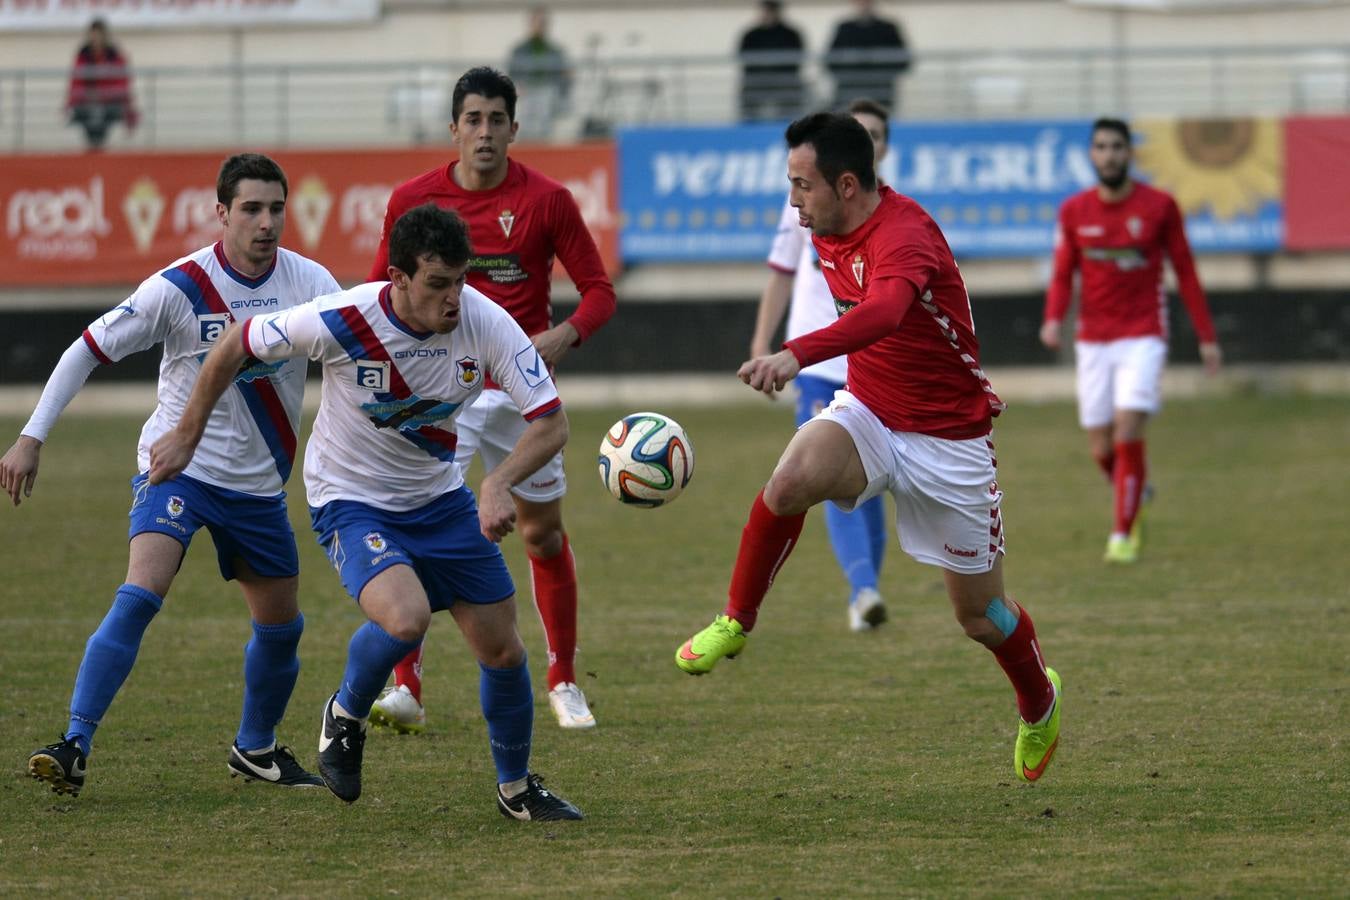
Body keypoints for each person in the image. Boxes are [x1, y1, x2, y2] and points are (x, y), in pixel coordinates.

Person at [150, 203, 584, 821]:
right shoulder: (343, 317)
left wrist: (499, 483)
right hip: (351, 501)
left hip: (441, 499)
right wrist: (187, 434)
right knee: (405, 618)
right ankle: (345, 712)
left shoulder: (485, 321)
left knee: (504, 651)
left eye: (461, 280)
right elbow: (233, 345)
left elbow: (552, 421)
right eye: (438, 284)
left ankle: (516, 790)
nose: (454, 298)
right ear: (399, 279)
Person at [676, 112, 1063, 784]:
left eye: (802, 185)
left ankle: (1039, 701)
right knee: (790, 479)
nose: (792, 199)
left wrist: (793, 356)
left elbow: (883, 313)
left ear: (847, 185)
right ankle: (736, 620)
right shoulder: (824, 224)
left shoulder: (906, 235)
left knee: (979, 616)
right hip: (872, 413)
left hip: (950, 443)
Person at [5, 153, 339, 798]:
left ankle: (256, 747)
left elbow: (355, 350)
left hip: (258, 487)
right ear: (221, 213)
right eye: (250, 209)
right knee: (142, 592)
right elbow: (86, 349)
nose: (265, 222)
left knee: (283, 626)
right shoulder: (180, 287)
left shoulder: (311, 282)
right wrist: (30, 436)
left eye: (275, 208)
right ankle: (74, 742)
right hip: (177, 471)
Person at [366, 66, 616, 733]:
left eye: (495, 120)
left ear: (514, 127)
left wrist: (563, 336)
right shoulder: (414, 202)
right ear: (453, 129)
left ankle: (563, 679)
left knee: (542, 533)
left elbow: (599, 291)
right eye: (472, 120)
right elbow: (377, 295)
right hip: (435, 395)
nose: (484, 132)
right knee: (419, 532)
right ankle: (406, 687)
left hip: (516, 395)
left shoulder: (548, 200)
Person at [1040, 117, 1222, 565]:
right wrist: (1052, 319)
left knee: (1127, 431)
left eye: (1117, 146)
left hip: (1143, 336)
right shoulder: (1074, 211)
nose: (1109, 154)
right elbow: (1064, 273)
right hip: (1093, 340)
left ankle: (1123, 533)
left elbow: (1186, 271)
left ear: (1129, 153)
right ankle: (1135, 488)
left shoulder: (1159, 206)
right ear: (1091, 154)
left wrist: (1207, 337)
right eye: (1101, 146)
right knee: (1100, 448)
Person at [748, 98, 891, 632]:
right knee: (827, 478)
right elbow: (782, 273)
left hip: (875, 365)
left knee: (869, 482)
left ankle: (865, 586)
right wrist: (764, 342)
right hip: (816, 362)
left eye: (876, 133)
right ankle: (864, 589)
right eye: (861, 131)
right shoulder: (807, 202)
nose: (869, 140)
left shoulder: (895, 216)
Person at [65, 18, 139, 151]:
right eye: (93, 35)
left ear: (105, 36)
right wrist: (70, 103)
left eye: (99, 35)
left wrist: (106, 96)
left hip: (110, 103)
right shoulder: (83, 55)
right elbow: (76, 82)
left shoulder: (115, 55)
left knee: (106, 117)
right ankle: (94, 152)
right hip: (87, 102)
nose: (96, 39)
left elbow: (122, 83)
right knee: (87, 118)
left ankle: (100, 152)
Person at [825, 0, 911, 111]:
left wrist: (881, 63)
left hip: (881, 92)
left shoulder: (888, 28)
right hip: (849, 90)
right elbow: (830, 60)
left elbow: (903, 60)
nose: (863, 4)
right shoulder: (844, 28)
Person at [508, 6, 571, 141]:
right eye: (536, 22)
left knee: (544, 121)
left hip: (547, 90)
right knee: (526, 122)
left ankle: (543, 143)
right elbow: (512, 72)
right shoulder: (520, 49)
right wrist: (517, 87)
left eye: (542, 23)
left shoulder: (554, 50)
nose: (539, 26)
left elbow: (563, 73)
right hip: (527, 90)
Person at [736, 0, 806, 122]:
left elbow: (797, 58)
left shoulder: (790, 34)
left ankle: (788, 122)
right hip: (757, 78)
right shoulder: (751, 34)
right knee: (749, 92)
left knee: (789, 91)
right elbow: (744, 57)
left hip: (784, 78)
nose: (767, 14)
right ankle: (750, 122)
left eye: (770, 11)